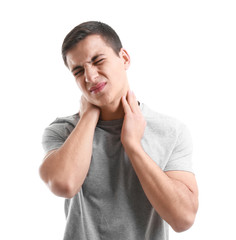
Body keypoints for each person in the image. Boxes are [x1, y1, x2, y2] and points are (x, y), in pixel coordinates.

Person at [39, 21, 198, 240]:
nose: (90, 77)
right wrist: (88, 116)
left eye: (98, 60)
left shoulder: (171, 131)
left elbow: (183, 219)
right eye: (78, 70)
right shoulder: (63, 131)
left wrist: (133, 145)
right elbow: (64, 184)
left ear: (124, 58)